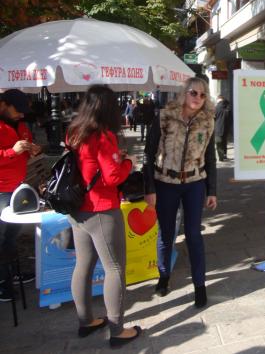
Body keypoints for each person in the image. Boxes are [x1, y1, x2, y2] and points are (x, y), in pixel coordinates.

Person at [66, 85, 142, 347]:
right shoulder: (103, 135)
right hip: (101, 209)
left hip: (77, 209)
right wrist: (128, 162)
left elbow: (91, 166)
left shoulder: (75, 131)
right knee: (115, 268)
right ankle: (117, 330)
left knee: (83, 265)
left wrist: (114, 159)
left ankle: (86, 321)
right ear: (108, 107)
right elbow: (112, 177)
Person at [143, 77, 217, 308]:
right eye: (194, 93)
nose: (198, 98)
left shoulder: (208, 122)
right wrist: (149, 188)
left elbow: (210, 157)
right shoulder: (164, 117)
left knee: (194, 235)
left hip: (195, 183)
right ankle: (164, 275)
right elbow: (148, 154)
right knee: (166, 234)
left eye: (203, 95)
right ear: (185, 93)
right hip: (166, 182)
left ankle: (199, 285)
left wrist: (211, 190)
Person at [0, 89, 41, 301]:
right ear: (4, 105)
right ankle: (2, 281)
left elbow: (26, 148)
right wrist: (11, 152)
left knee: (11, 235)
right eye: (18, 110)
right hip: (1, 190)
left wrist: (32, 149)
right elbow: (9, 153)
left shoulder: (22, 125)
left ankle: (10, 272)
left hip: (17, 187)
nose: (21, 115)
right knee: (1, 236)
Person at [214, 95, 232, 161]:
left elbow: (213, 118)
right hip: (226, 129)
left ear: (218, 99)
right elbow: (230, 119)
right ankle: (224, 155)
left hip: (217, 129)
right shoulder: (228, 108)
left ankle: (221, 157)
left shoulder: (216, 108)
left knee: (219, 143)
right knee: (224, 142)